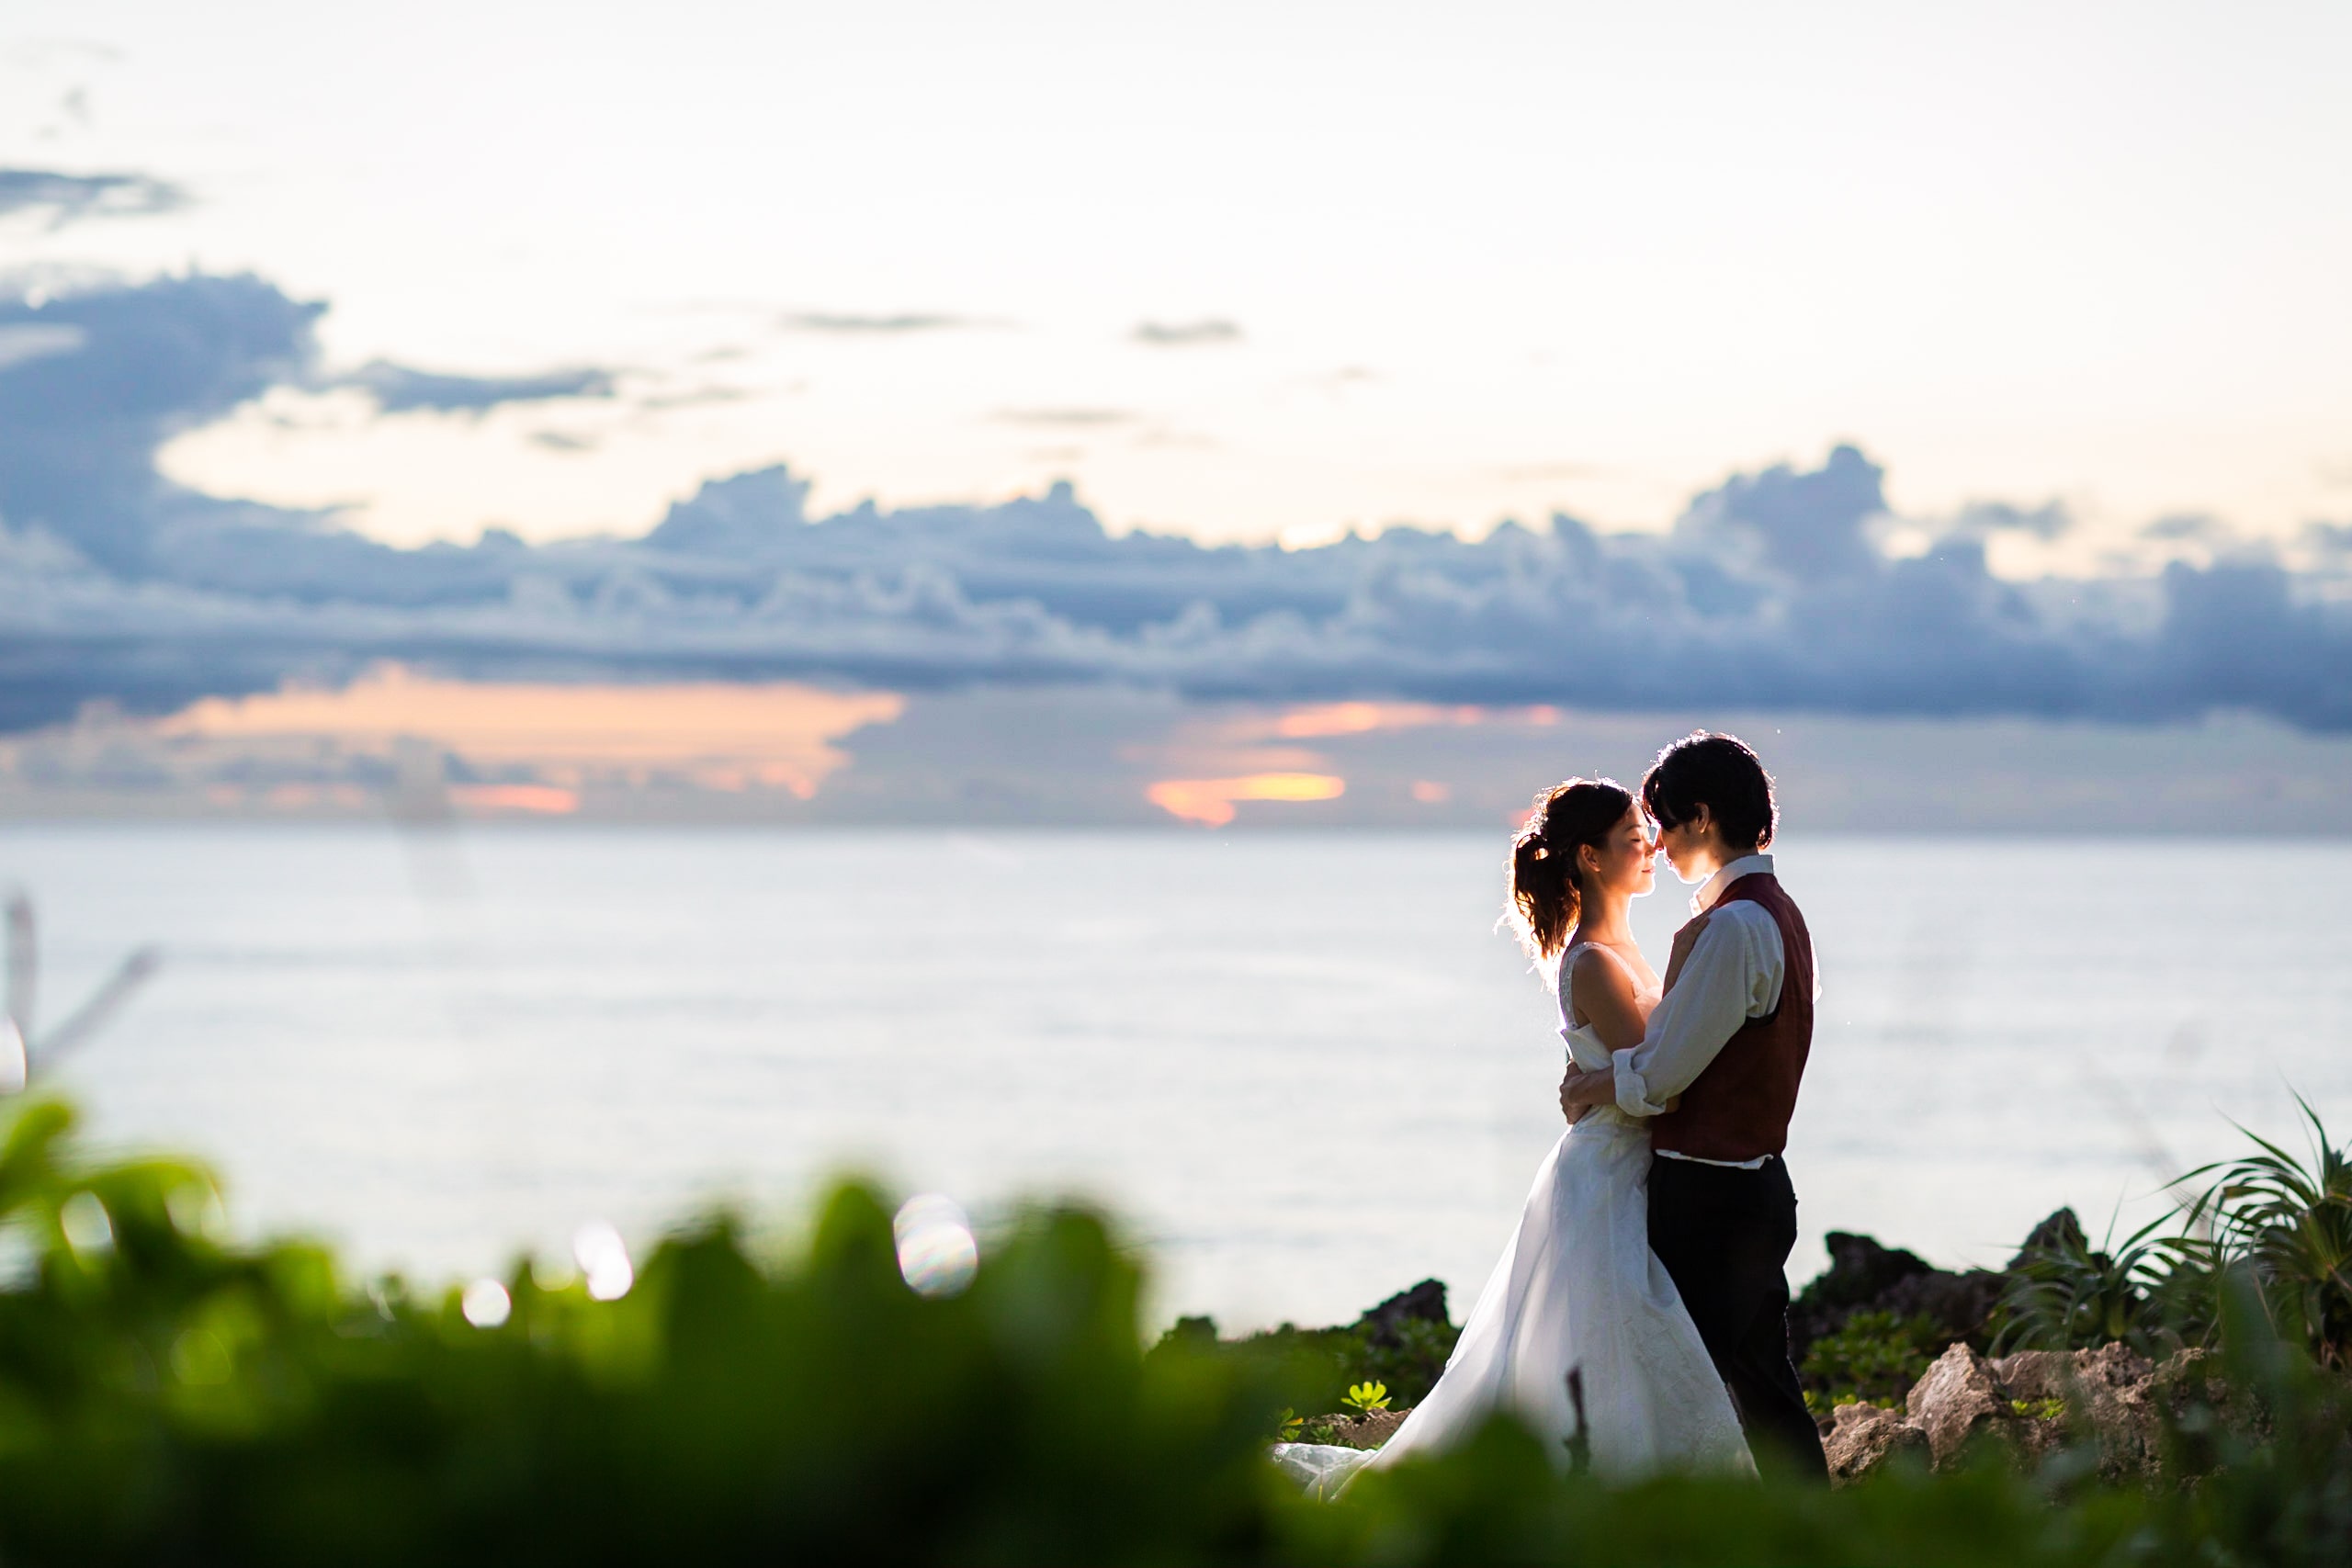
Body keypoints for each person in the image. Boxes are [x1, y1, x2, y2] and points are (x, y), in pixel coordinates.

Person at [1273, 777, 1752, 1498]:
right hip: (1608, 1172)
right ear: (1590, 858)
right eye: (1631, 839)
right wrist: (1603, 1079)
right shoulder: (1592, 958)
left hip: (1621, 1159)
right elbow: (1662, 1081)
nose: (1650, 847)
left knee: (1616, 1339)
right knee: (1609, 1338)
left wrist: (1595, 1080)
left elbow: (1640, 1064)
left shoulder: (1620, 945)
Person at [1558, 732, 1830, 1483]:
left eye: (1666, 823)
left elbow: (1662, 1073)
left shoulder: (1734, 927)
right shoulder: (1774, 914)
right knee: (1762, 1389)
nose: (1661, 844)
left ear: (1702, 818)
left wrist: (1589, 1084)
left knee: (1681, 1397)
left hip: (1710, 1197)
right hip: (1749, 1184)